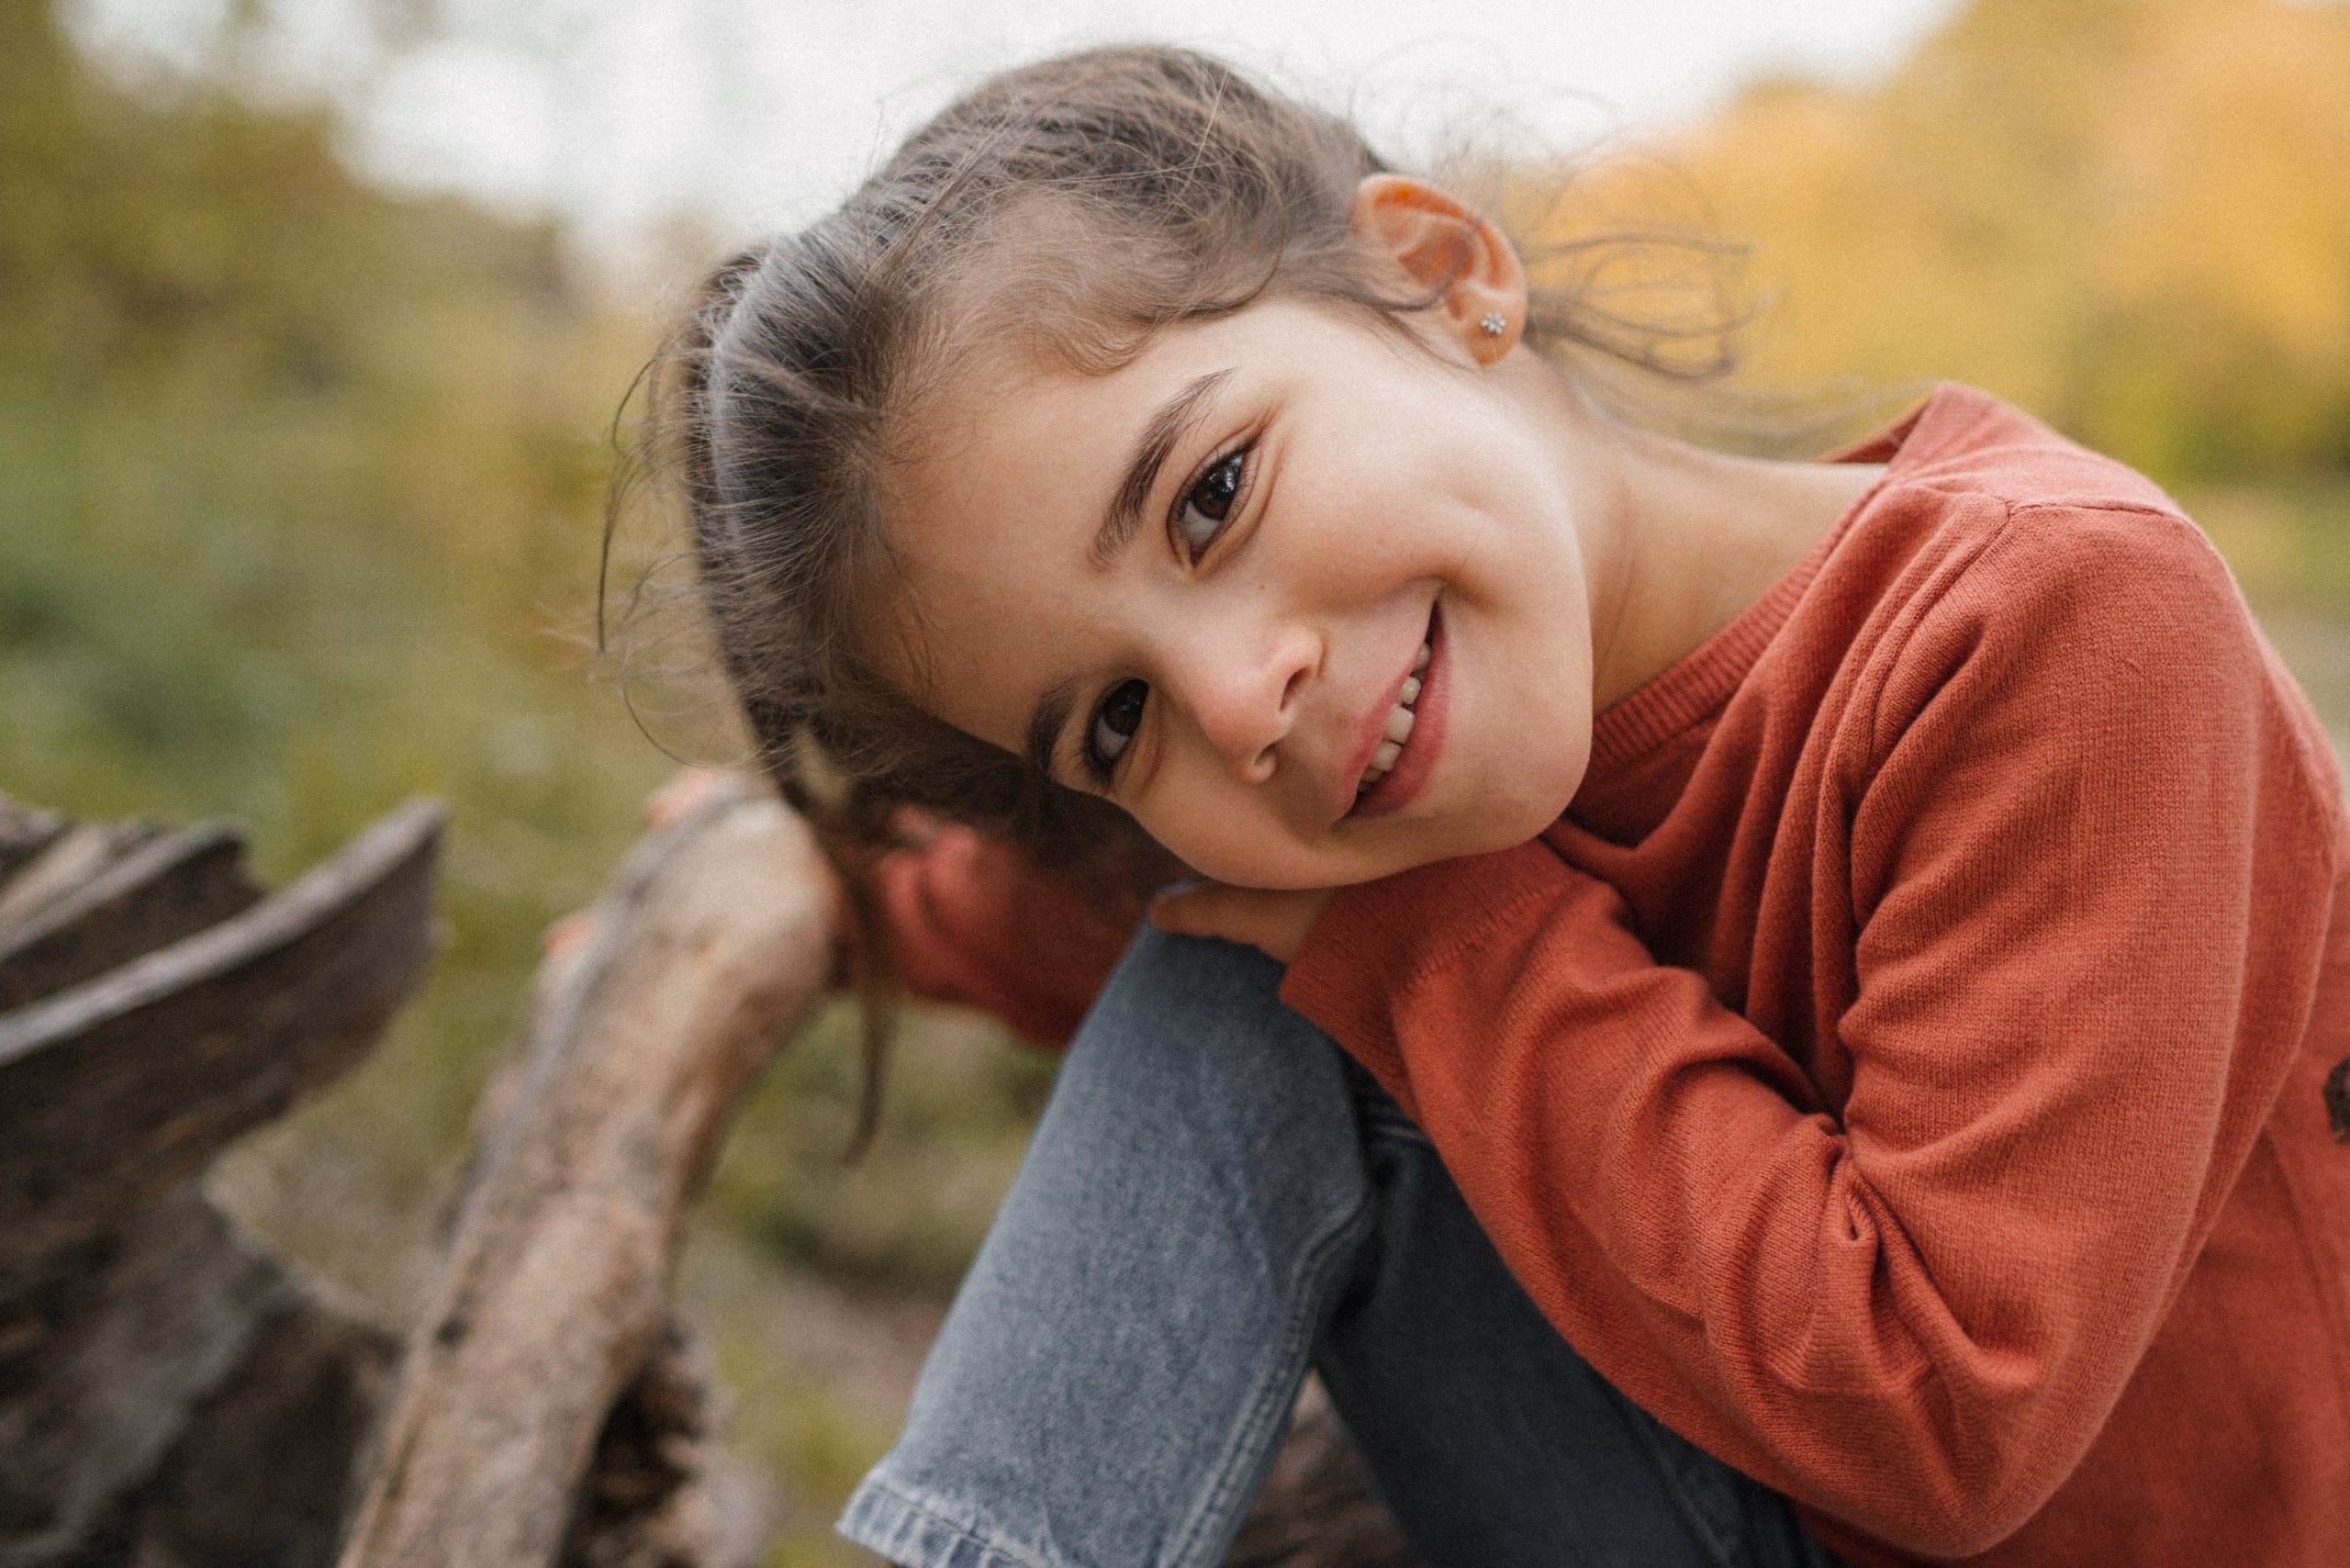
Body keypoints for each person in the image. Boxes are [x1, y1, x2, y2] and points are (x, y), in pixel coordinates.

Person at [626, 43, 2350, 1568]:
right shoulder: (1394, 752)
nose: (1238, 707)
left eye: (1211, 495)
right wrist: (830, 900)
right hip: (1712, 1495)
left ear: (1442, 276)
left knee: (1316, 964)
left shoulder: (2053, 628)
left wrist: (1438, 946)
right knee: (1242, 979)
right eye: (1114, 722)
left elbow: (1955, 1417)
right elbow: (1098, 917)